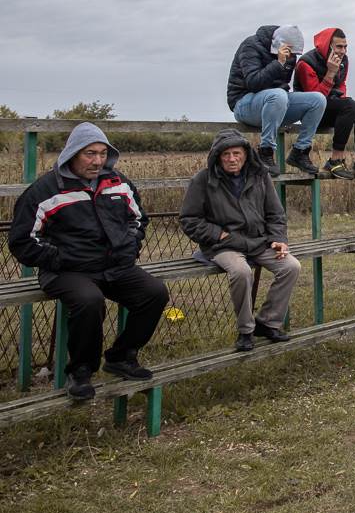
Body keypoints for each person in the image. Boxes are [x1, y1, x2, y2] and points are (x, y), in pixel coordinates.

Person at [9, 123, 169, 400]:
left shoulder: (118, 183)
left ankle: (122, 356)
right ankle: (81, 371)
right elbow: (23, 239)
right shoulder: (45, 190)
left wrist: (129, 246)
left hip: (114, 265)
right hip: (66, 270)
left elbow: (139, 219)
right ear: (72, 153)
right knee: (89, 301)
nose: (97, 161)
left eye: (102, 153)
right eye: (89, 154)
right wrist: (60, 257)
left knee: (154, 293)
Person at [180, 130, 301, 352]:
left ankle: (268, 322)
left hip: (258, 241)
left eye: (236, 153)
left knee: (291, 266)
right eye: (225, 154)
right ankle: (245, 330)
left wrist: (278, 239)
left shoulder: (259, 175)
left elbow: (275, 213)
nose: (232, 159)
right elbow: (189, 219)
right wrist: (219, 234)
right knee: (241, 271)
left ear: (246, 154)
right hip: (223, 244)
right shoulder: (202, 180)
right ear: (217, 156)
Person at [227, 25, 327, 176]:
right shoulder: (251, 46)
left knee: (317, 99)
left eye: (295, 53)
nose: (292, 56)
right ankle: (265, 153)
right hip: (243, 103)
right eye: (291, 52)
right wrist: (279, 63)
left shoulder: (290, 54)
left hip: (274, 103)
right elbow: (254, 83)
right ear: (279, 43)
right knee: (278, 95)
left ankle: (300, 152)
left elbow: (283, 85)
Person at [293, 28, 355, 184]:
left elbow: (342, 85)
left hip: (331, 107)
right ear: (327, 45)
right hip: (311, 114)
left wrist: (342, 99)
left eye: (345, 47)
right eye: (339, 46)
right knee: (349, 105)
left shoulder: (344, 61)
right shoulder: (306, 63)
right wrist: (330, 73)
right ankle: (335, 160)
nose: (343, 51)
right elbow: (315, 99)